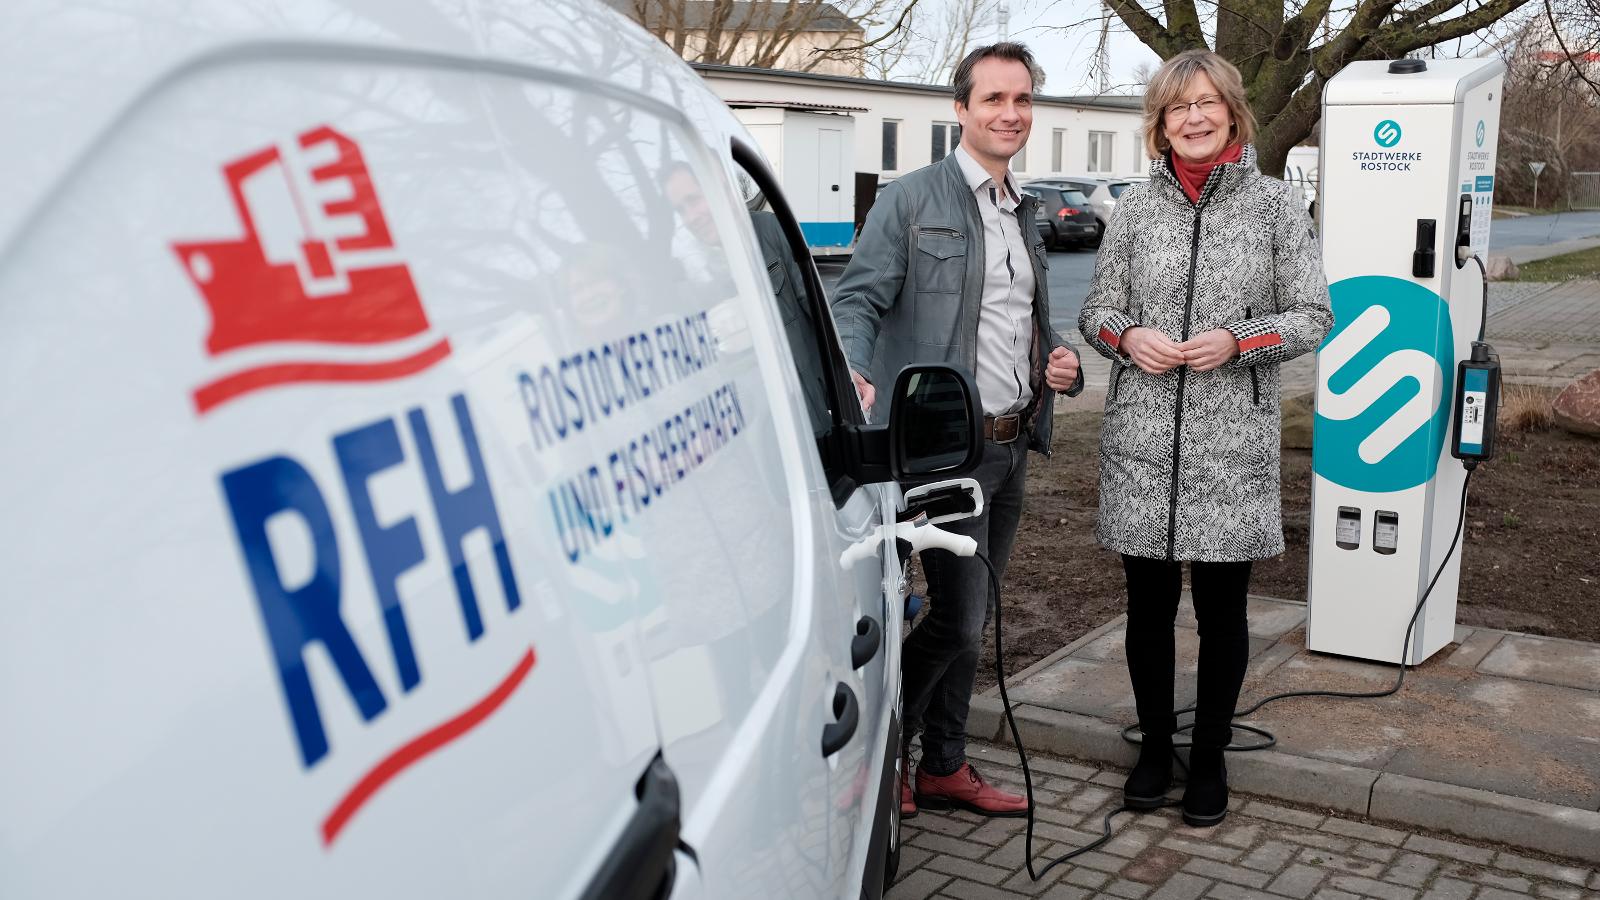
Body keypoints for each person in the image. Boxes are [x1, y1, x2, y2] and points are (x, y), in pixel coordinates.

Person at [1077, 50, 1333, 827]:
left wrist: (1238, 340)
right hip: (1144, 440)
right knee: (1147, 609)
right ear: (1160, 121)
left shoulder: (1277, 206)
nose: (1192, 117)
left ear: (1232, 112)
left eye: (1206, 103)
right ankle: (1157, 747)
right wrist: (1127, 336)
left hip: (1233, 443)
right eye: (1176, 106)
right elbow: (1094, 308)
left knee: (1224, 615)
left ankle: (1211, 758)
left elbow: (1313, 315)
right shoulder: (1133, 209)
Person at [832, 42, 1083, 819]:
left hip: (1011, 444)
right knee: (959, 617)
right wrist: (851, 369)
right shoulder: (910, 201)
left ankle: (942, 766)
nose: (1010, 114)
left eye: (1022, 100)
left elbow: (1017, 320)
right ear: (960, 110)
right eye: (994, 99)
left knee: (969, 622)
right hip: (942, 448)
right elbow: (859, 300)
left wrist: (1057, 359)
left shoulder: (1024, 209)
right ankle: (878, 754)